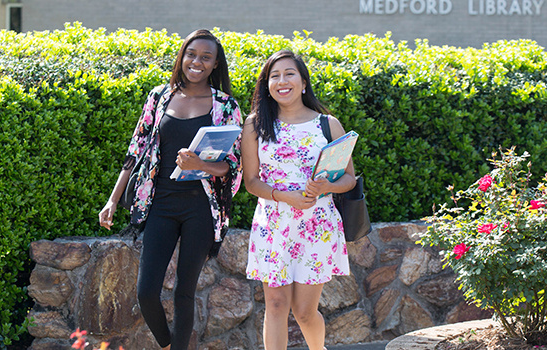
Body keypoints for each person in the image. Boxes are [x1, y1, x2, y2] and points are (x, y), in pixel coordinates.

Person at [98, 29, 242, 350]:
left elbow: (231, 167)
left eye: (206, 57)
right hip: (160, 203)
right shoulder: (159, 97)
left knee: (184, 292)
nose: (197, 62)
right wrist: (112, 200)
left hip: (200, 209)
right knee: (146, 291)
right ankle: (166, 345)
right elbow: (134, 151)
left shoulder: (226, 106)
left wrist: (198, 165)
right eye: (191, 54)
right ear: (182, 57)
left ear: (215, 64)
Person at [241, 50, 355, 350]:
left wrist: (324, 187)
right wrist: (283, 196)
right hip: (273, 225)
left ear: (303, 82)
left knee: (304, 312)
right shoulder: (255, 125)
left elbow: (349, 179)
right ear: (267, 85)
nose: (282, 81)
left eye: (289, 74)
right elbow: (251, 182)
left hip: (316, 226)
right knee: (276, 304)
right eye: (274, 76)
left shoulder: (328, 125)